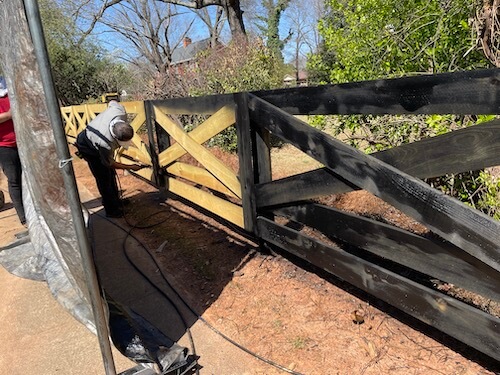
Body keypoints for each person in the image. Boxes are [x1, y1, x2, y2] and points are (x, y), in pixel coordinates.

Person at [75, 100, 145, 218]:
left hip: (94, 136)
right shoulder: (105, 144)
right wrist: (131, 167)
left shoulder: (119, 111)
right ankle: (111, 209)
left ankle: (116, 201)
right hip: (88, 147)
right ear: (115, 136)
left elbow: (112, 101)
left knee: (110, 175)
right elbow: (109, 163)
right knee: (104, 178)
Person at [0, 77, 26, 226]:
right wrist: (9, 115)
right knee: (14, 178)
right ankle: (24, 217)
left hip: (23, 140)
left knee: (30, 176)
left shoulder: (8, 83)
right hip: (4, 144)